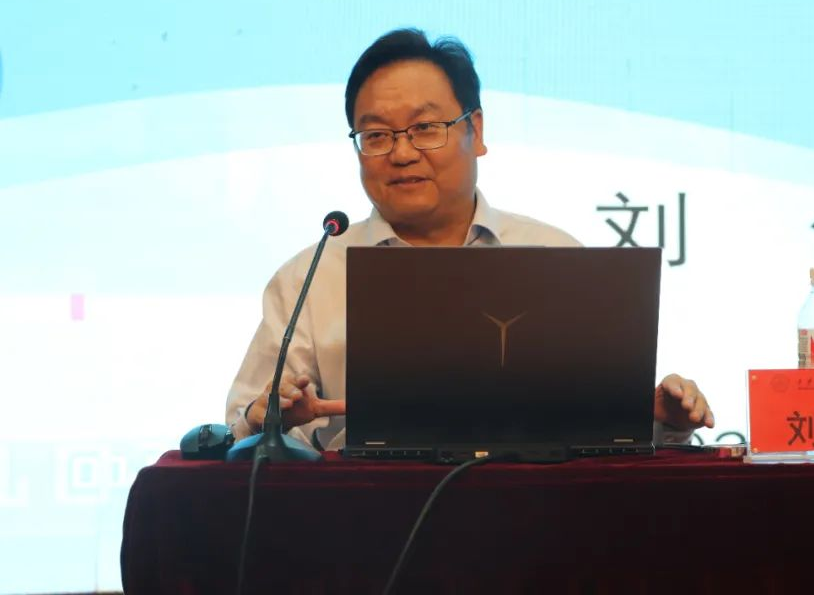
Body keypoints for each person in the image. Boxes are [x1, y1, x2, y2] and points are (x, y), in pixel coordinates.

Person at [226, 28, 714, 450]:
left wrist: (661, 421)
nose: (401, 153)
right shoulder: (310, 277)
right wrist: (269, 418)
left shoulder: (555, 256)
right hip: (364, 514)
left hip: (538, 511)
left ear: (475, 130)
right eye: (376, 135)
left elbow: (603, 430)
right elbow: (241, 427)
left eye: (425, 128)